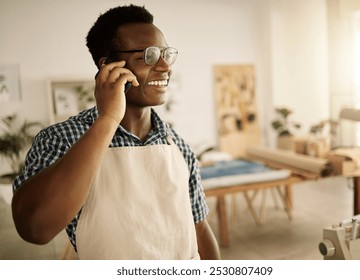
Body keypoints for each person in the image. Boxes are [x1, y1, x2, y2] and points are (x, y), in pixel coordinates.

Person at [11, 4, 220, 260]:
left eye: (166, 54)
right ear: (109, 66)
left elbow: (199, 229)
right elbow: (35, 229)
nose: (165, 67)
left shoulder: (178, 145)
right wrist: (108, 119)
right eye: (149, 55)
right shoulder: (60, 139)